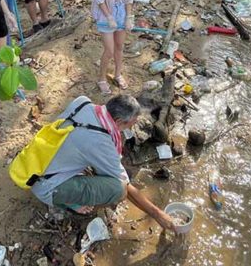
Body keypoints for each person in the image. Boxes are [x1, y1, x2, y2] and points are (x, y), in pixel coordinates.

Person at [30, 94, 176, 232]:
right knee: (118, 190)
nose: (134, 125)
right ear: (118, 122)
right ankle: (69, 204)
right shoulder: (99, 142)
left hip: (35, 163)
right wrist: (157, 214)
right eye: (132, 123)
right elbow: (123, 184)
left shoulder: (83, 102)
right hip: (46, 186)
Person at [92, 0, 134, 95]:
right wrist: (109, 17)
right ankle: (101, 79)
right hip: (105, 13)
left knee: (119, 47)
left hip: (121, 11)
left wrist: (129, 17)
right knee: (109, 50)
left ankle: (117, 74)